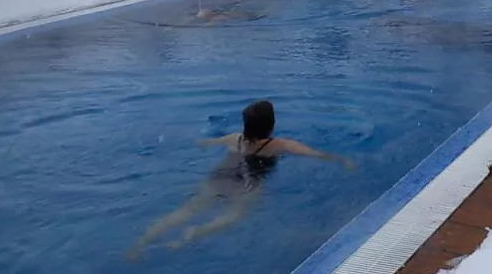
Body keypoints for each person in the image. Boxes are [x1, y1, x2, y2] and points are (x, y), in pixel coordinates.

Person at [126, 100, 354, 259]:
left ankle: (141, 243)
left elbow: (203, 144)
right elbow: (316, 154)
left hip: (218, 177)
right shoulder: (279, 145)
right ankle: (194, 233)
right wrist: (343, 160)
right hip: (248, 184)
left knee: (185, 210)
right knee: (234, 215)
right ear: (271, 125)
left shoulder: (234, 138)